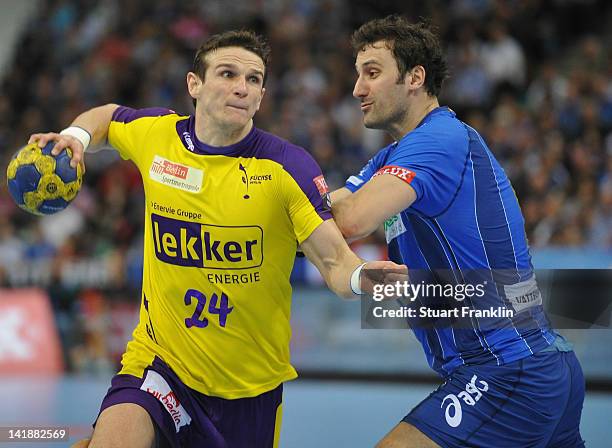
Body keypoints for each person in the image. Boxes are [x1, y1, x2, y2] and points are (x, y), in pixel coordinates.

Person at [29, 30, 406, 448]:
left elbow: (335, 262)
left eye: (254, 80)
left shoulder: (287, 167)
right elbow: (109, 116)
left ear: (261, 96)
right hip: (160, 364)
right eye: (228, 74)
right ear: (195, 84)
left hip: (249, 390)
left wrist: (364, 279)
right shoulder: (158, 136)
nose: (242, 88)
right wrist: (76, 137)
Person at [331, 16, 585, 448]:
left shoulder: (439, 139)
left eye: (372, 73)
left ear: (415, 78)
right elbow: (327, 211)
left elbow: (351, 220)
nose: (357, 89)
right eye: (358, 75)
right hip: (533, 368)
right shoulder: (392, 157)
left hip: (508, 371)